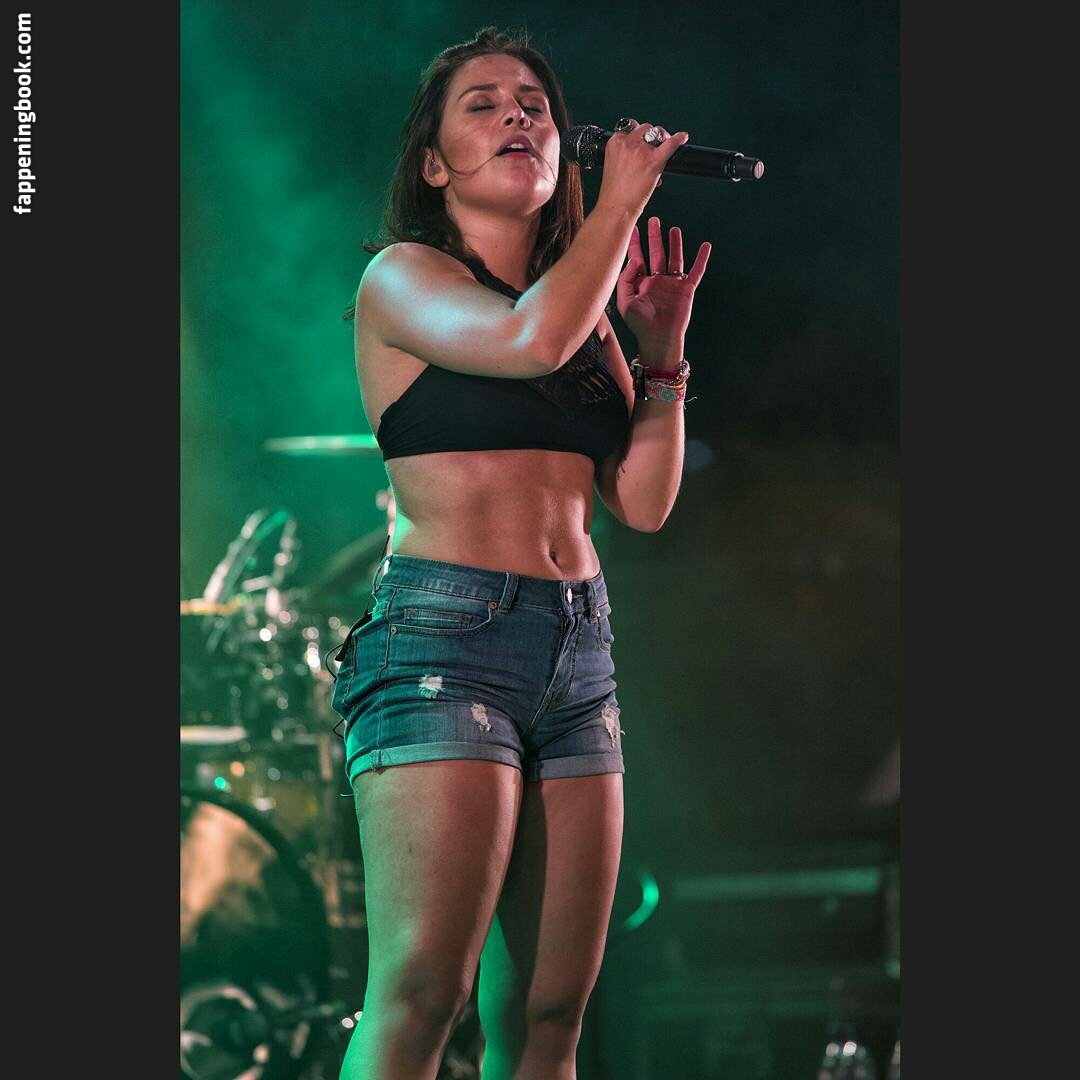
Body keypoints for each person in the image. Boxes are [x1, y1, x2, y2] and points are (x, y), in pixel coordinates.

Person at [331, 25, 711, 1080]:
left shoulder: (583, 316)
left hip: (577, 651)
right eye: (485, 103)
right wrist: (619, 207)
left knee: (550, 1014)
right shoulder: (404, 277)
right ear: (434, 163)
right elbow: (523, 342)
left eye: (535, 106)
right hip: (445, 640)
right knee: (424, 992)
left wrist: (664, 358)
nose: (518, 115)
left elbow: (641, 502)